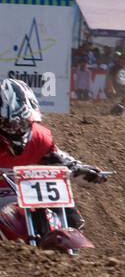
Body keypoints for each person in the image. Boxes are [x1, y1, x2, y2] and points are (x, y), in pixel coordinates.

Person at [0, 79, 108, 234]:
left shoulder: (38, 138)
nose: (19, 130)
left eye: (24, 124)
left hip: (23, 193)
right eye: (12, 125)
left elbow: (60, 160)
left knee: (71, 218)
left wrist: (80, 170)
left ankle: (72, 245)